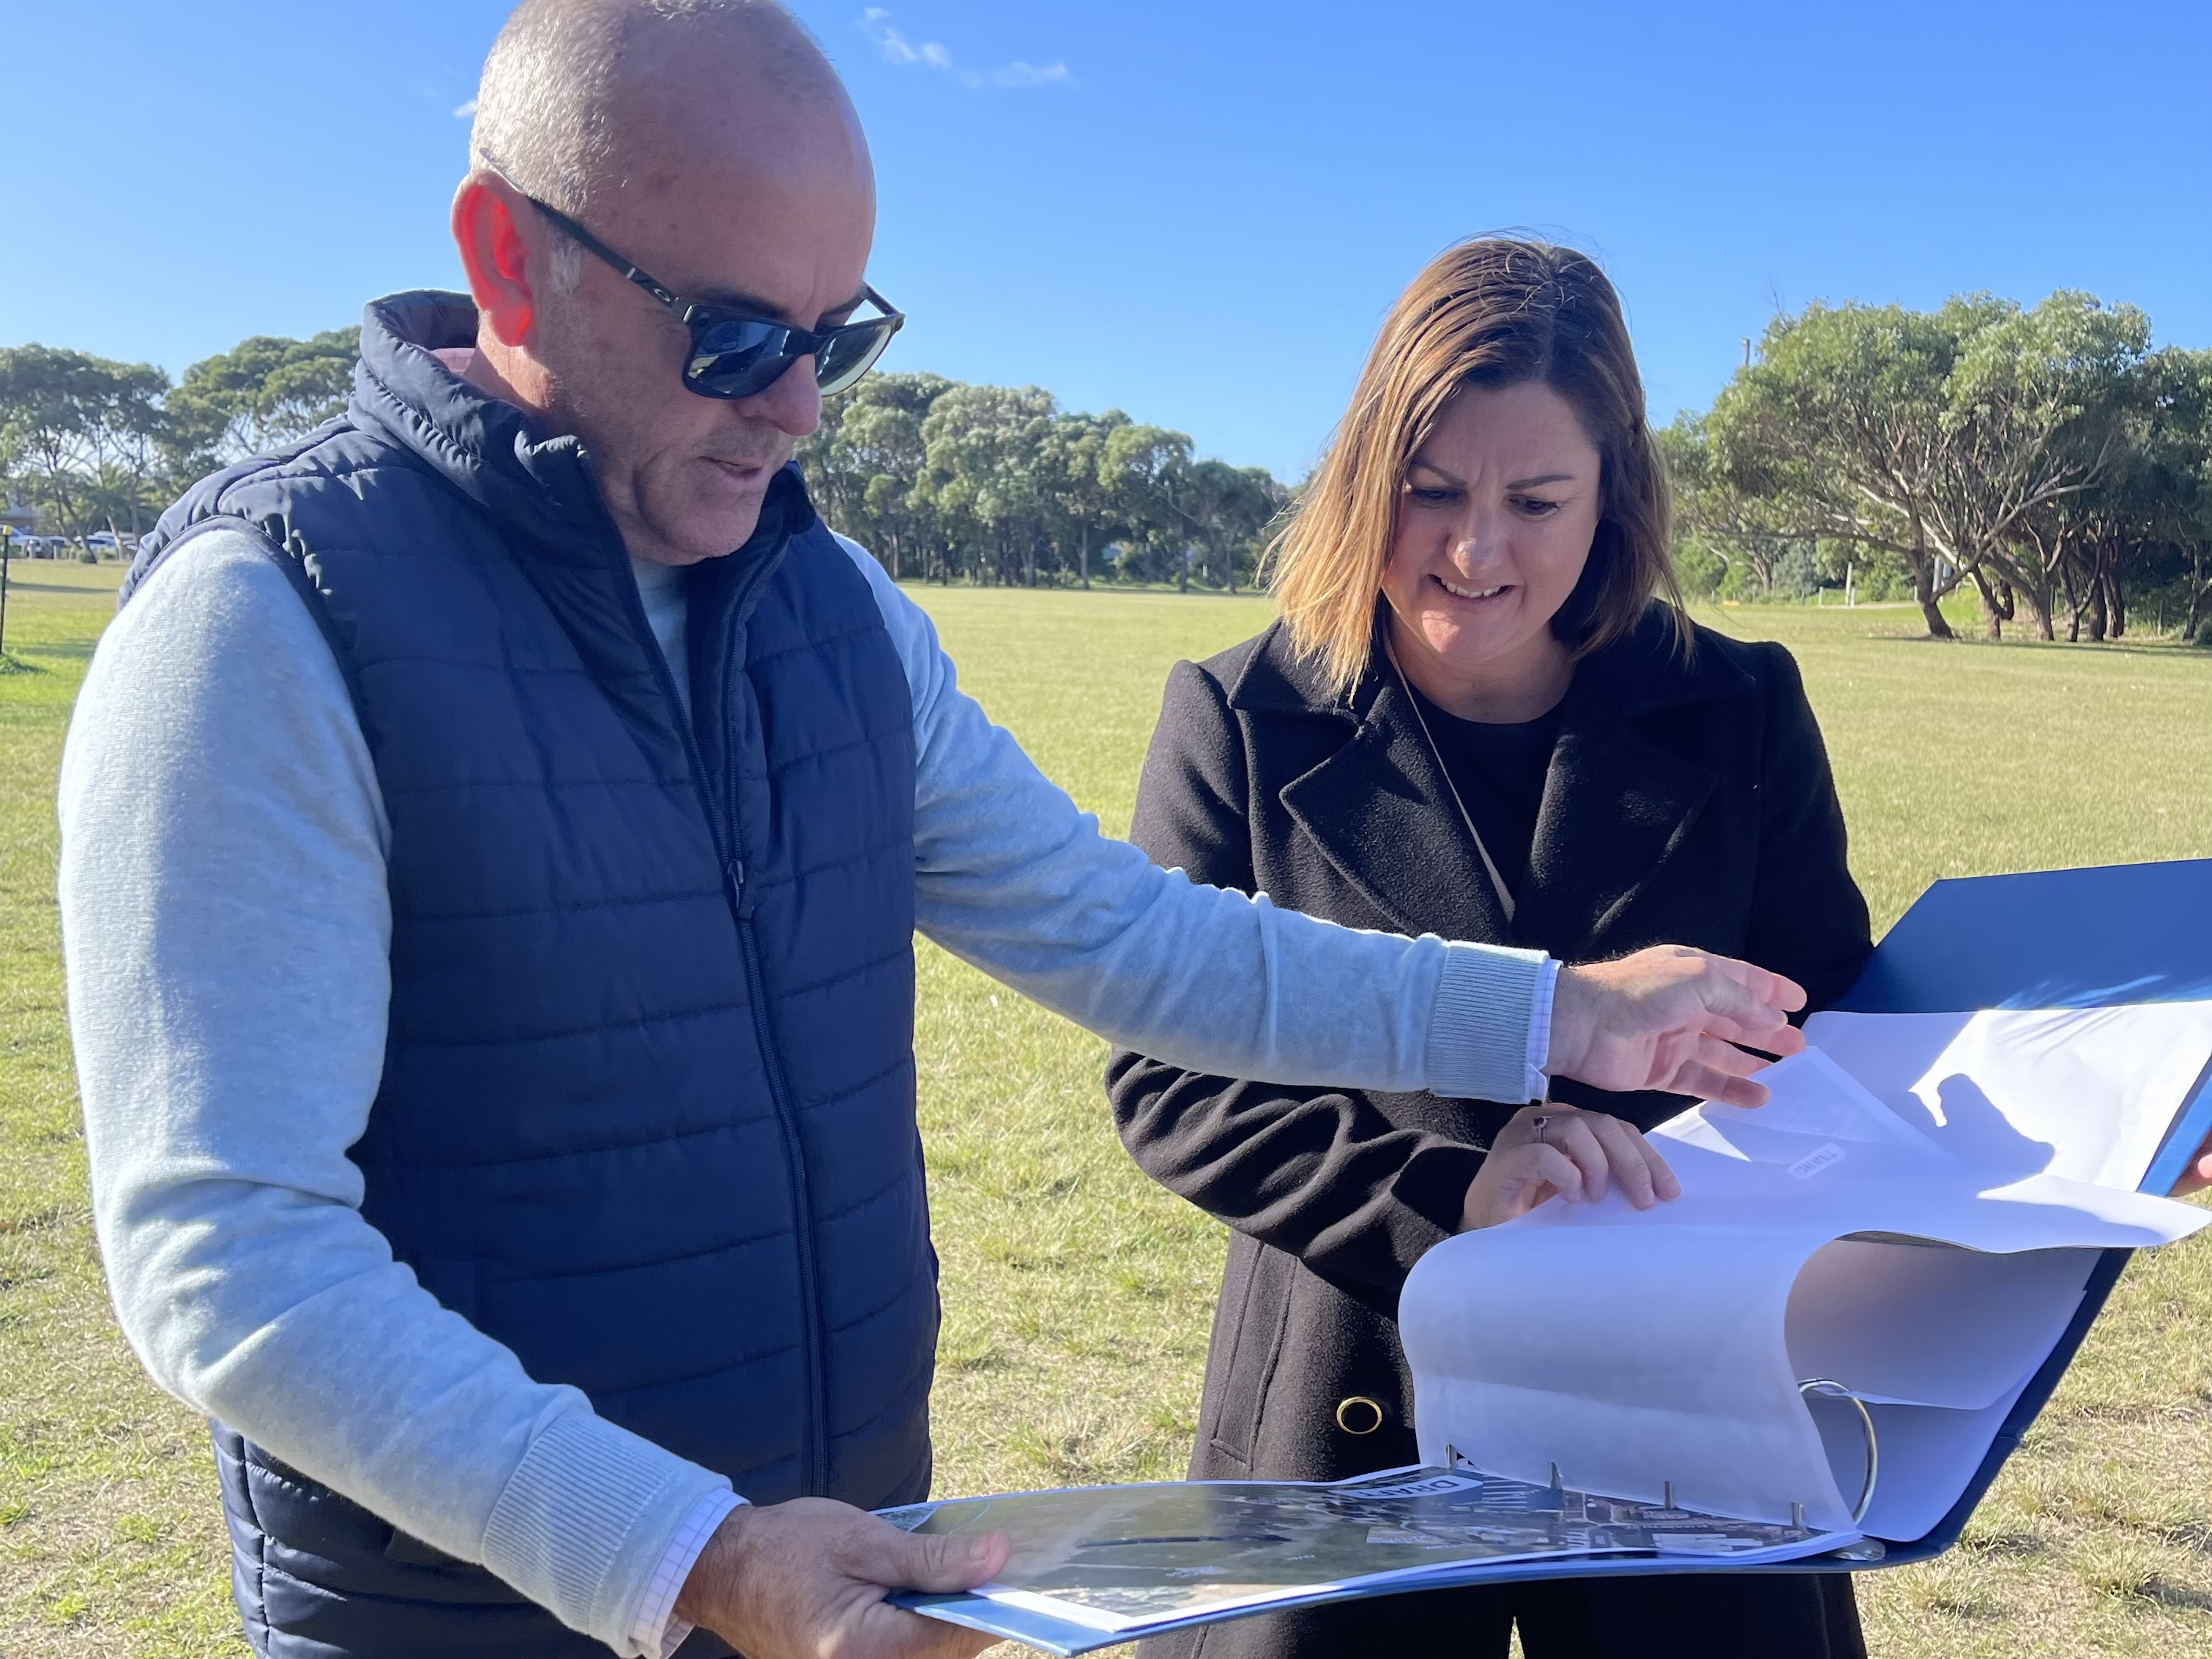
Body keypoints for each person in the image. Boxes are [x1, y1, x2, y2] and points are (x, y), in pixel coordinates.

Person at [56, 10, 1811, 1658]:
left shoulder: (830, 609)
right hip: (482, 1610)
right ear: (508, 255)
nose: (799, 409)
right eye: (735, 337)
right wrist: (686, 1553)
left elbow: (1124, 936)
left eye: (834, 338)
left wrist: (1550, 1012)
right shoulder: (267, 616)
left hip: (832, 1572)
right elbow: (231, 1258)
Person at [1109, 238, 1877, 1659]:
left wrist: (2122, 1128)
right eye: (1432, 491)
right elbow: (1169, 1077)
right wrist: (1450, 1199)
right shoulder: (1233, 712)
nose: (1474, 550)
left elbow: (1831, 1022)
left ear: (1612, 493)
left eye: (1534, 499)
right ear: (1361, 477)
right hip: (1348, 1386)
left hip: (1685, 1404)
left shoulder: (1740, 706)